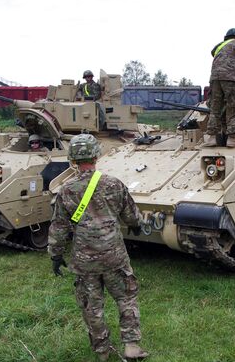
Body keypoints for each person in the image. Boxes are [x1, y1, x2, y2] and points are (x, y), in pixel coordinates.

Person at [48, 134, 149, 361]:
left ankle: (102, 351)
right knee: (126, 298)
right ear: (96, 156)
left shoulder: (66, 191)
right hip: (115, 256)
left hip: (85, 260)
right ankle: (131, 346)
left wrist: (55, 255)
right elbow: (132, 216)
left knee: (91, 307)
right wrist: (136, 226)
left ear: (72, 159)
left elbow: (59, 227)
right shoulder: (113, 184)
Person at [204, 28, 235, 147]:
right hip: (230, 78)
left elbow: (213, 53)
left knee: (215, 107)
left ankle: (212, 138)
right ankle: (232, 139)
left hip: (214, 79)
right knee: (233, 106)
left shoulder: (219, 46)